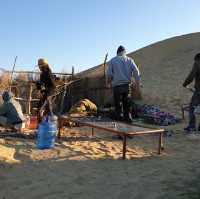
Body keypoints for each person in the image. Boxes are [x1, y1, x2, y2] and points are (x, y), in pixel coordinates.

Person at [106, 45, 141, 122]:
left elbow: (109, 75)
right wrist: (137, 84)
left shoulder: (112, 60)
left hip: (117, 87)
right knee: (127, 105)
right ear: (124, 52)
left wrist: (108, 83)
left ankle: (120, 124)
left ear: (117, 52)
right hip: (127, 86)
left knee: (118, 106)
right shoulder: (130, 60)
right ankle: (128, 120)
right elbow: (136, 72)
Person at [183, 53, 200, 132]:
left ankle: (192, 126)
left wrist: (185, 84)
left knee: (192, 108)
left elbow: (191, 75)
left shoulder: (197, 63)